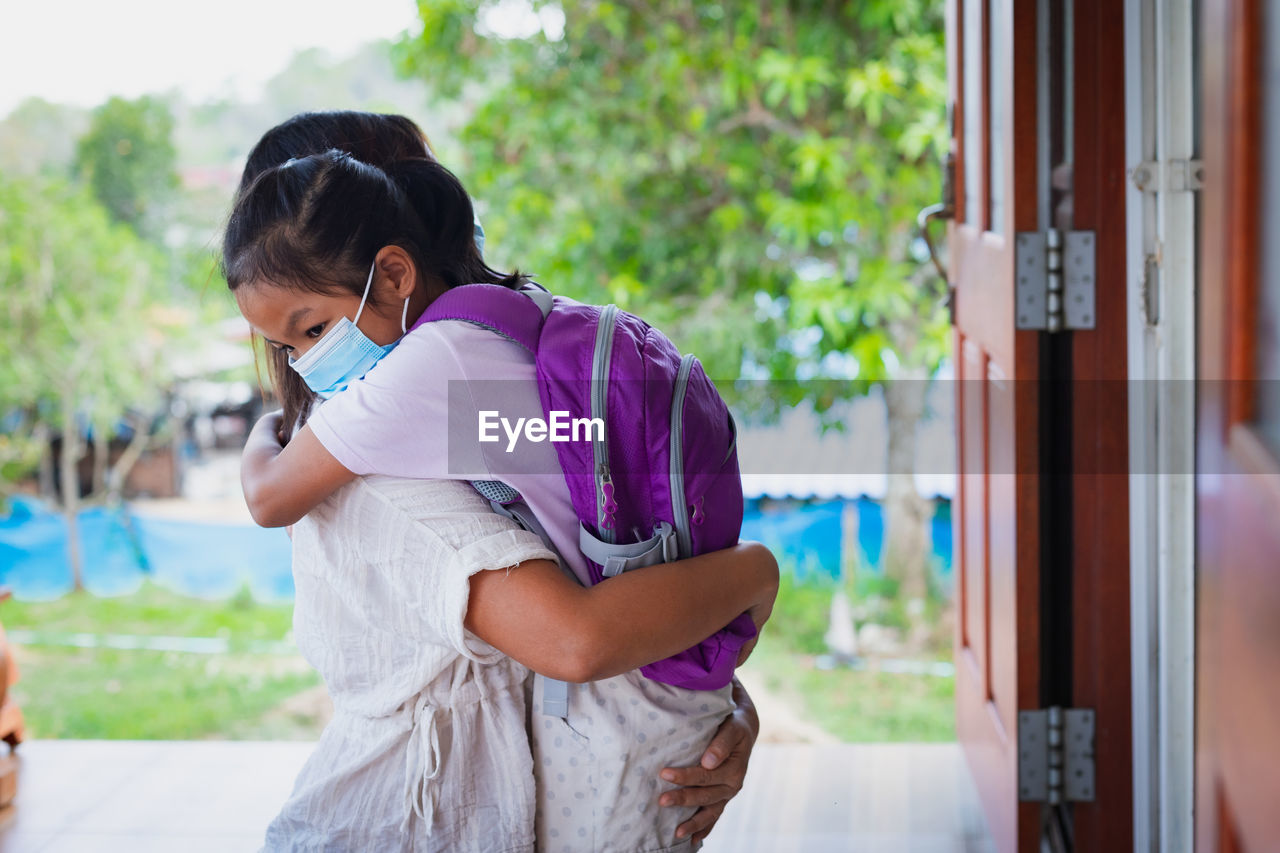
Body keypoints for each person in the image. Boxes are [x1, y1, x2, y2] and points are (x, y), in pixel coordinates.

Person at [229, 113, 770, 850]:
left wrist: (717, 697)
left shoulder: (431, 388)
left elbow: (578, 632)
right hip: (416, 813)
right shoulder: (411, 421)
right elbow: (578, 638)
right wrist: (743, 591)